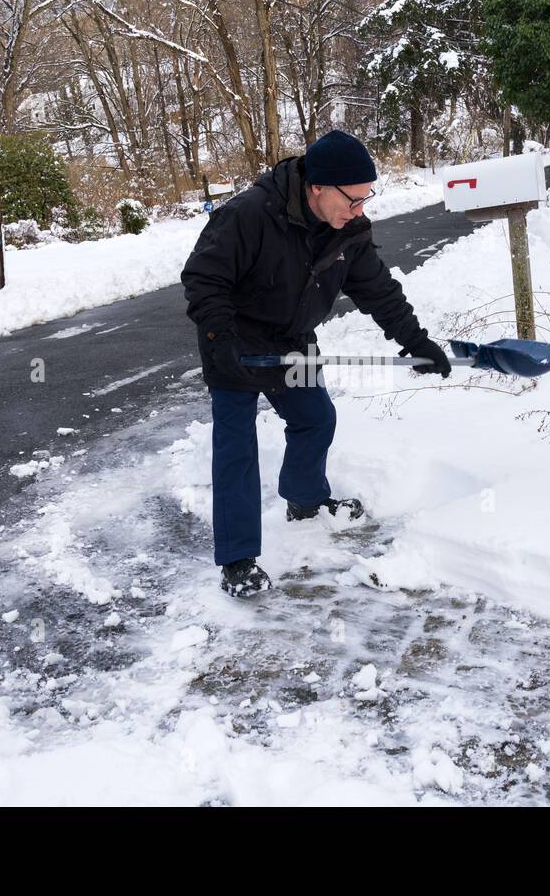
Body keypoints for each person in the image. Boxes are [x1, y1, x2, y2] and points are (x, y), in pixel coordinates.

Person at [181, 130, 451, 597]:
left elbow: (377, 290)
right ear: (318, 187)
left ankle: (304, 501)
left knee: (315, 417)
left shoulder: (349, 230)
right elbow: (204, 278)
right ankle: (238, 559)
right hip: (233, 340)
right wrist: (219, 339)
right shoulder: (249, 215)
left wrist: (416, 340)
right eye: (354, 199)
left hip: (291, 340)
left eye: (367, 198)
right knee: (235, 447)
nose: (360, 209)